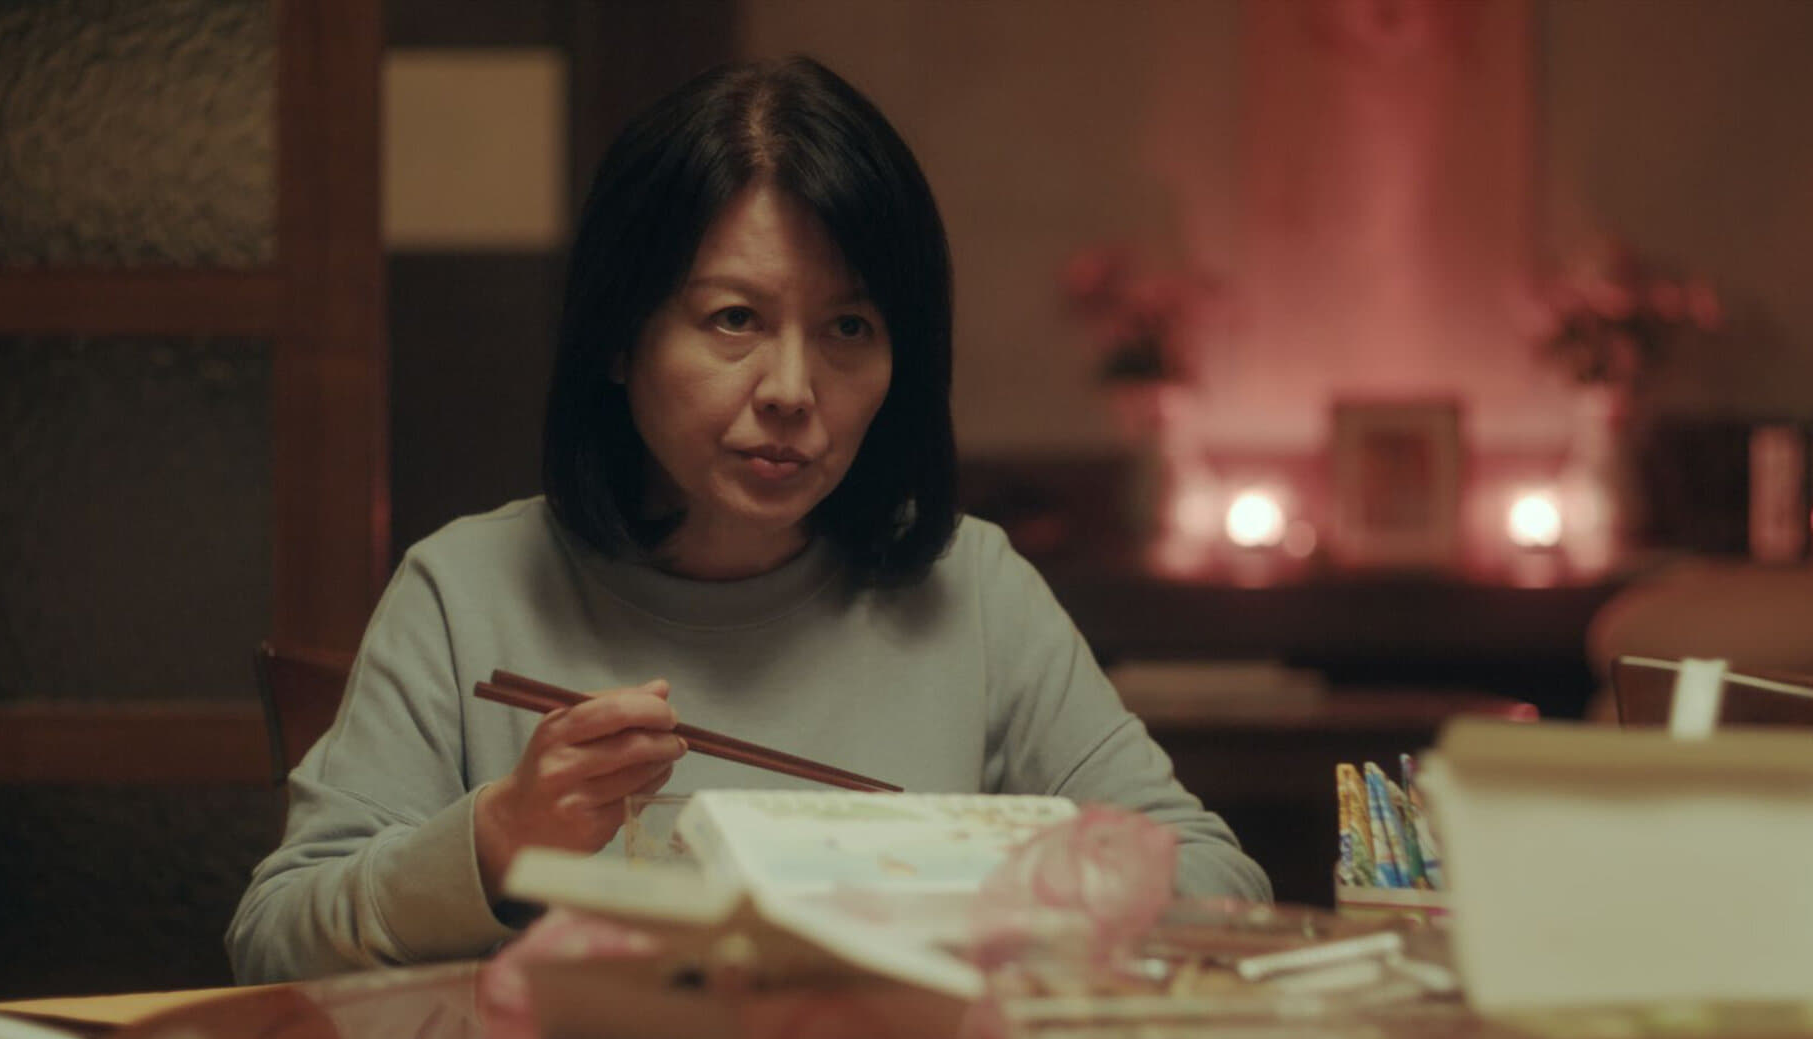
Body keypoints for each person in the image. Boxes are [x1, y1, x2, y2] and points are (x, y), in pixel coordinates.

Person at [228, 55, 1269, 985]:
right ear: (619, 337)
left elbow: (1220, 884)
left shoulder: (973, 591)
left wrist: (999, 887)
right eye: (734, 319)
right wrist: (497, 838)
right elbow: (276, 937)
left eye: (849, 327)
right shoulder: (467, 591)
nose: (791, 389)